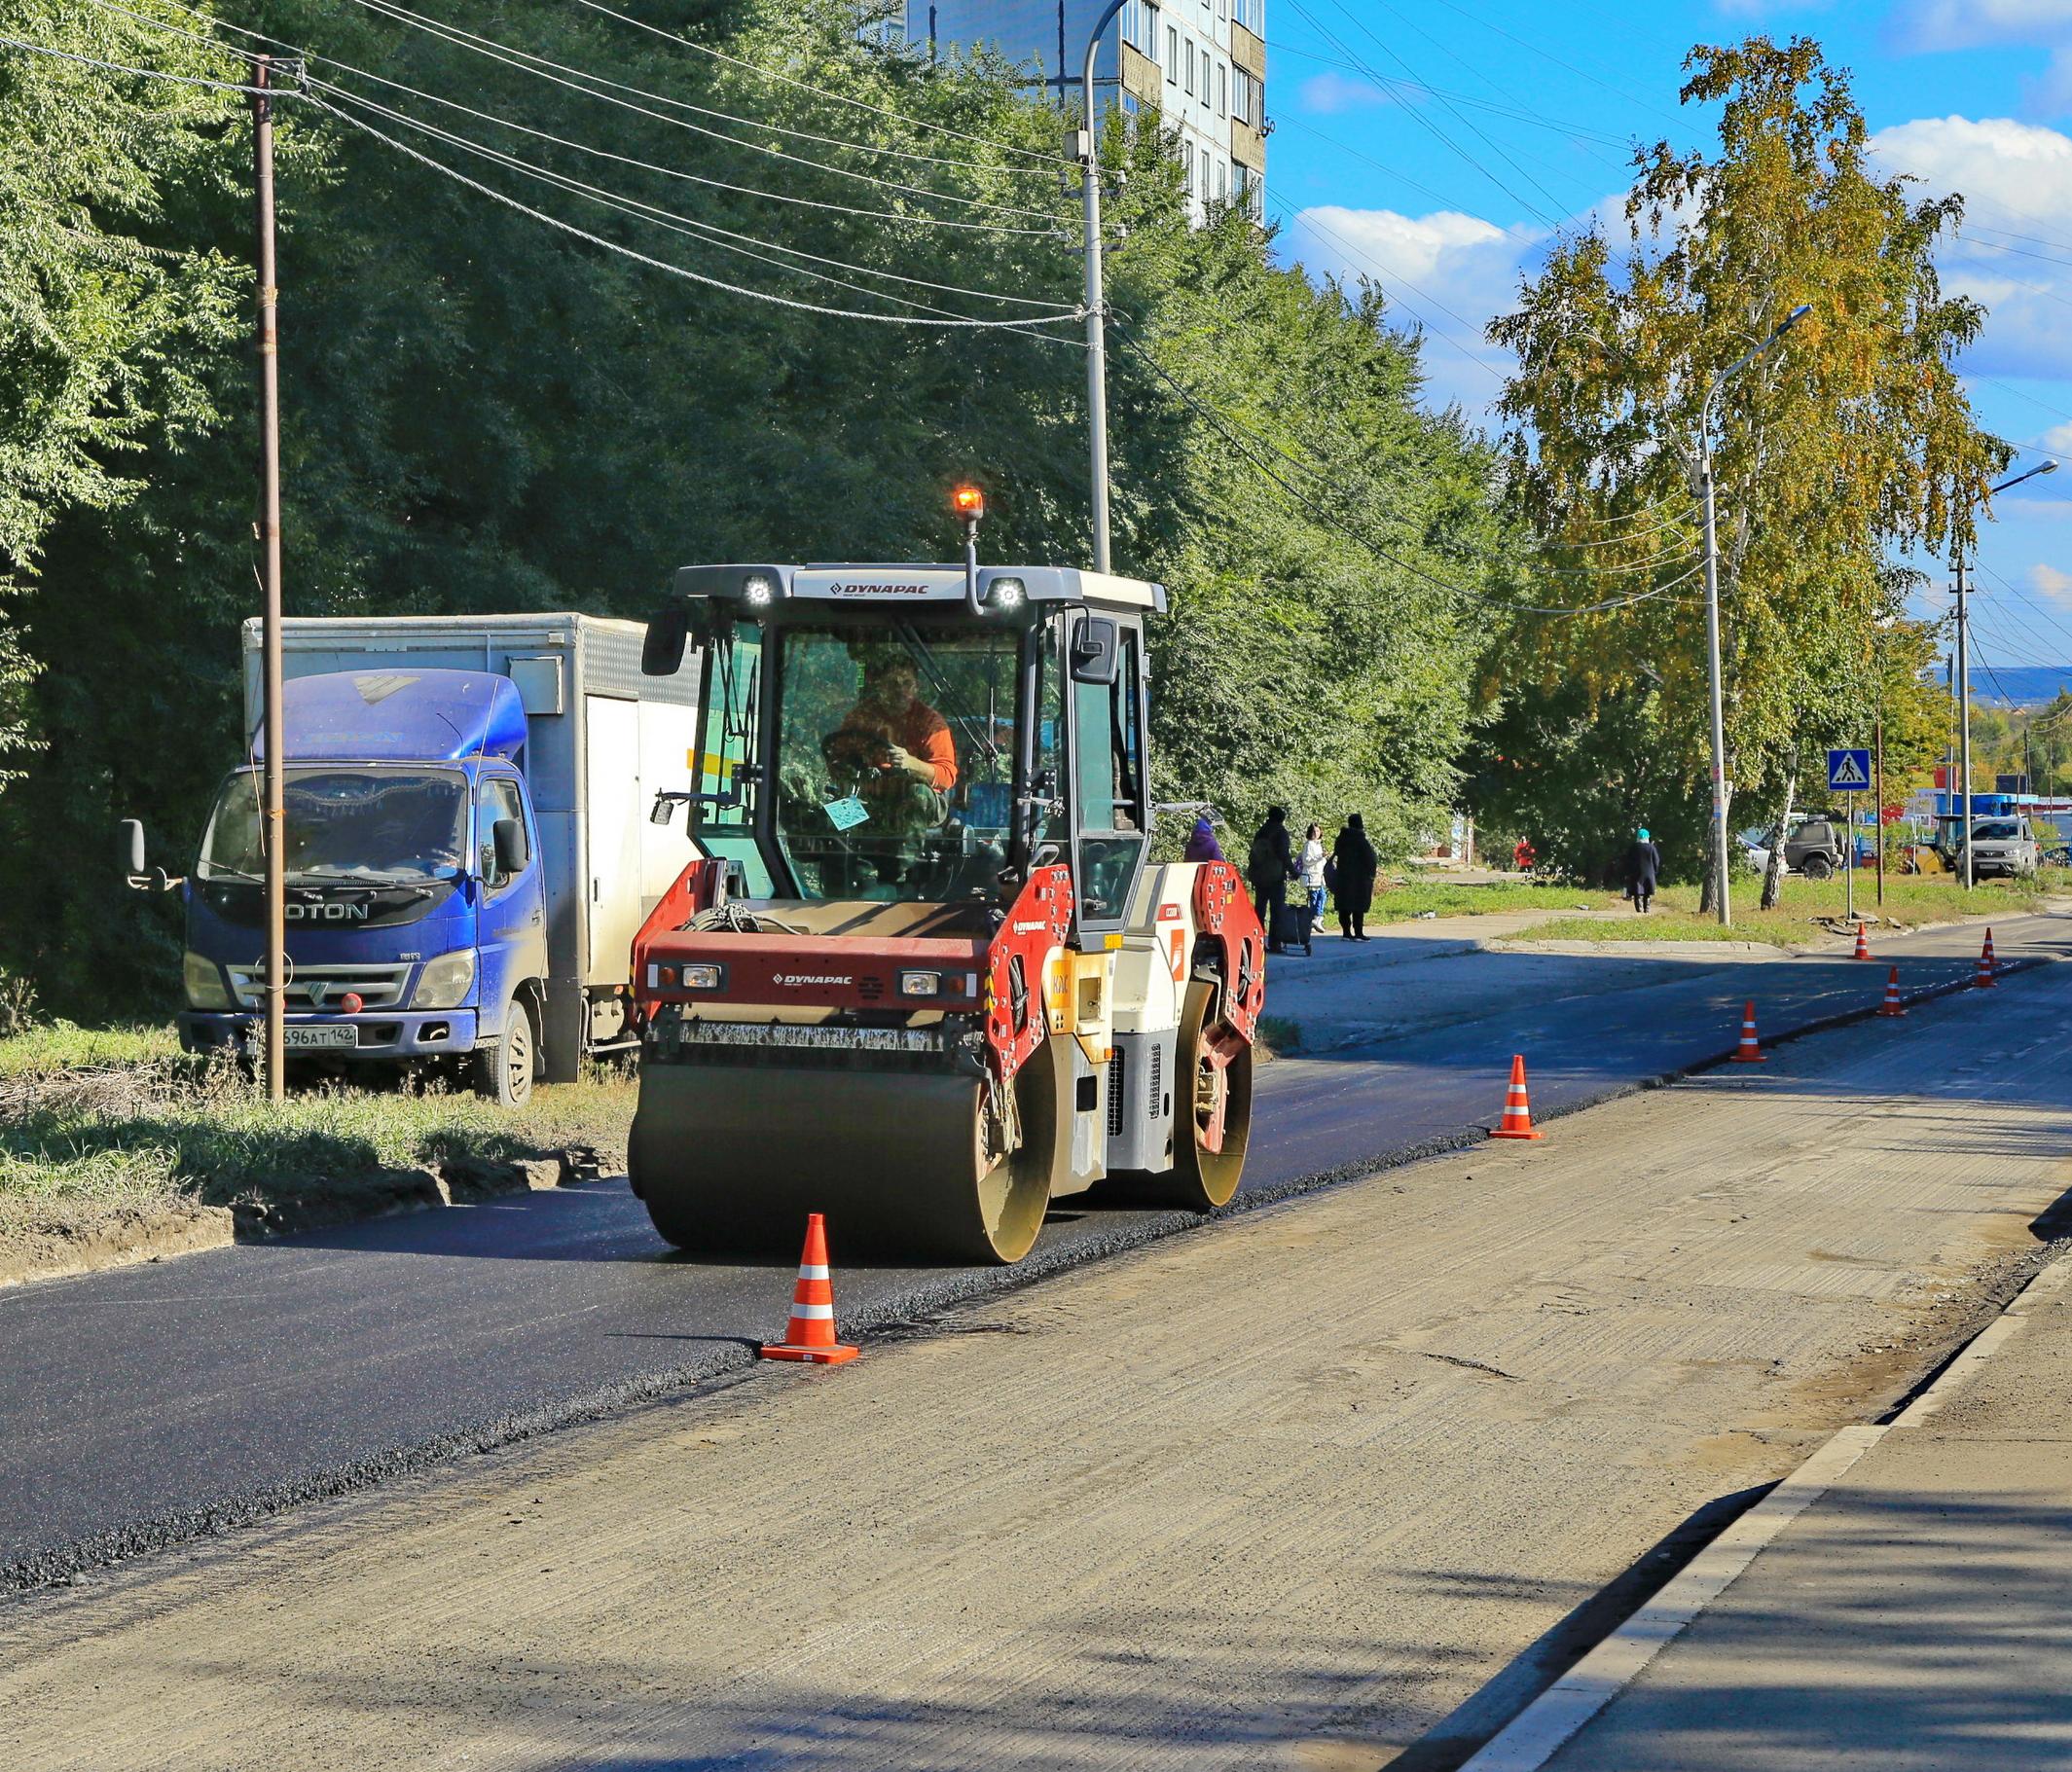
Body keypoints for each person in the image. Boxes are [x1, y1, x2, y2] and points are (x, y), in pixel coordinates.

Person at [823, 655, 958, 798]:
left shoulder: (931, 723)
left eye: (907, 683)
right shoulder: (860, 718)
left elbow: (946, 777)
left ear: (917, 687)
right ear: (881, 686)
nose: (900, 690)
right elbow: (837, 759)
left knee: (919, 796)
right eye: (893, 683)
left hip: (916, 807)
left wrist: (911, 763)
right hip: (868, 799)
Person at [1247, 806, 1297, 952]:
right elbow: (1284, 855)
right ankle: (1275, 943)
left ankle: (1257, 942)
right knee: (1277, 911)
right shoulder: (1281, 833)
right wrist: (1293, 871)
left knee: (1259, 910)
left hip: (1260, 876)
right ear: (1282, 818)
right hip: (1276, 877)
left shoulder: (1261, 831)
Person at [1332, 813, 1378, 941]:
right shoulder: (1361, 840)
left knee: (1344, 906)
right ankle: (1358, 932)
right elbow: (1370, 859)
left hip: (1343, 877)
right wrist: (1371, 873)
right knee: (1358, 905)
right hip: (1359, 878)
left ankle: (1346, 932)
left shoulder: (1341, 839)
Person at [1624, 825, 1661, 914]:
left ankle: (1639, 908)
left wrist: (1628, 872)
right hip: (1649, 872)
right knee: (1647, 892)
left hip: (1636, 872)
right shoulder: (1651, 848)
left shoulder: (1634, 847)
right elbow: (1656, 860)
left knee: (1637, 891)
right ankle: (1646, 908)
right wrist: (1655, 870)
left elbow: (1628, 860)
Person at [1299, 822, 1328, 929]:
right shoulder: (1309, 845)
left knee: (1320, 897)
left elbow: (1320, 861)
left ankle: (1314, 920)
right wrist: (1320, 856)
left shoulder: (1318, 845)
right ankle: (1316, 918)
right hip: (1311, 877)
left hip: (1319, 877)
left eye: (1317, 831)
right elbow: (1307, 861)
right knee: (1316, 898)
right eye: (1313, 831)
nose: (1316, 833)